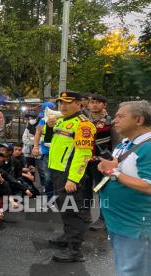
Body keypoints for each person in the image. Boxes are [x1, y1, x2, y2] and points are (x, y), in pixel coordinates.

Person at [97, 100, 151, 276]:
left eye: (121, 116)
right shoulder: (125, 143)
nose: (114, 120)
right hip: (120, 223)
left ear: (139, 120)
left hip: (135, 226)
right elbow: (120, 169)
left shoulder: (148, 147)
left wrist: (114, 171)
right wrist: (110, 167)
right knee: (125, 268)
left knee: (133, 271)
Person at [44, 91, 96, 262]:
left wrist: (73, 178)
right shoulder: (60, 120)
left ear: (79, 104)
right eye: (61, 103)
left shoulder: (83, 125)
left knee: (73, 210)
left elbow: (83, 154)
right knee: (64, 207)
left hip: (70, 174)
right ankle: (67, 237)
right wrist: (49, 127)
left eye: (68, 102)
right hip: (58, 171)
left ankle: (74, 250)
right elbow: (49, 140)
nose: (63, 106)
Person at [86, 94, 113, 230]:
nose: (94, 105)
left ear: (104, 105)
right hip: (85, 162)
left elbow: (115, 143)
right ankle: (86, 215)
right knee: (85, 189)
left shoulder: (110, 122)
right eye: (92, 102)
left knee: (103, 190)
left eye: (97, 102)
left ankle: (104, 218)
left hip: (102, 163)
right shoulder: (83, 121)